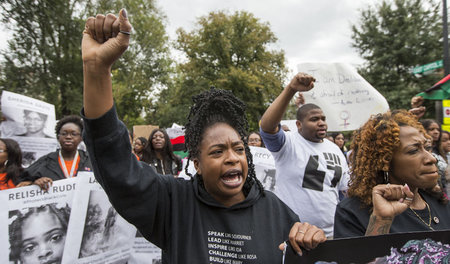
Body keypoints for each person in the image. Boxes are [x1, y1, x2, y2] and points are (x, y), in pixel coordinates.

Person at [81, 9, 326, 263]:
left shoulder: (275, 212)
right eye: (218, 151)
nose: (232, 158)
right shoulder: (173, 204)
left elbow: (300, 252)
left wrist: (309, 239)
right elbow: (118, 169)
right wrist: (96, 70)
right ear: (196, 163)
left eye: (239, 149)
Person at [334, 110, 450, 238]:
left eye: (427, 148)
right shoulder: (353, 213)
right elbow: (358, 258)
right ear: (385, 161)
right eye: (413, 150)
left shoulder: (439, 200)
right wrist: (381, 220)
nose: (432, 158)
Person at [259, 72, 350, 238]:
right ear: (299, 125)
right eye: (314, 119)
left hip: (330, 236)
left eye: (323, 118)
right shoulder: (288, 145)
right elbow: (266, 126)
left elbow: (346, 190)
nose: (321, 122)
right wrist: (291, 89)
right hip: (292, 236)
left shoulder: (335, 149)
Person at [23, 115, 92, 188]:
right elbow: (22, 181)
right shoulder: (45, 161)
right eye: (64, 134)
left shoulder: (90, 161)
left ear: (81, 138)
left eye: (74, 134)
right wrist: (35, 182)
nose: (68, 137)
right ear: (58, 137)